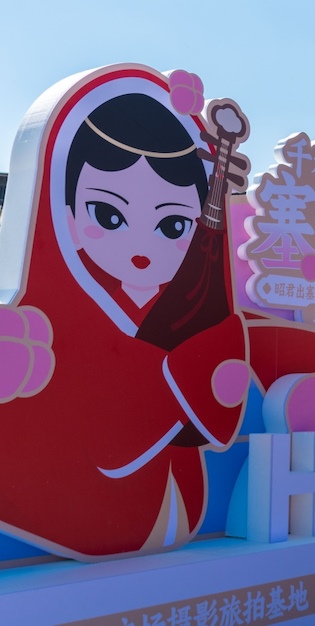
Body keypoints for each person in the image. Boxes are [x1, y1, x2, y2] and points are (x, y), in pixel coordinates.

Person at [0, 69, 249, 559]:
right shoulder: (45, 320)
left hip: (169, 505)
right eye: (108, 216)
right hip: (70, 505)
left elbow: (215, 383)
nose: (140, 248)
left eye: (172, 225)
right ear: (66, 213)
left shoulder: (194, 304)